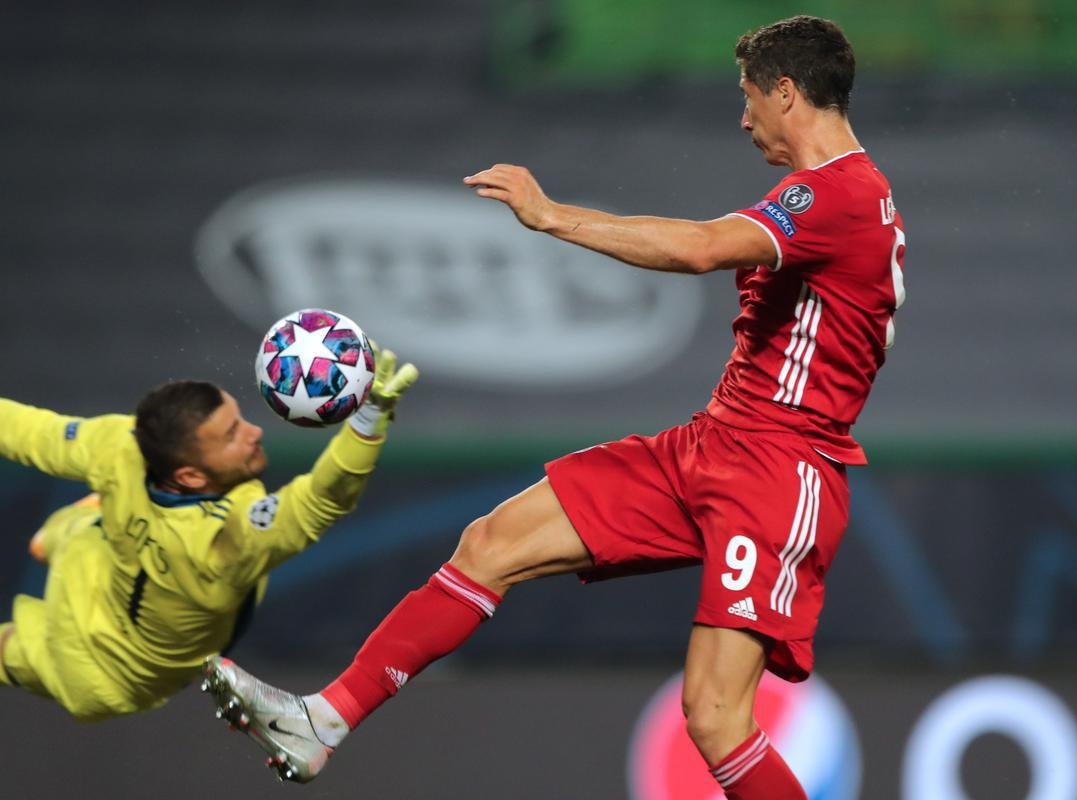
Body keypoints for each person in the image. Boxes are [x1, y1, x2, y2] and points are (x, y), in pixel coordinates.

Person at [203, 15, 905, 799]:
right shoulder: (821, 195)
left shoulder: (841, 193)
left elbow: (701, 248)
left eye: (748, 99)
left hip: (779, 471)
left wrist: (551, 215)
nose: (742, 119)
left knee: (713, 718)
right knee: (492, 541)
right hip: (712, 445)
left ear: (784, 91)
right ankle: (323, 719)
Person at [0, 346, 418, 722]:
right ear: (190, 475)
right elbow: (321, 500)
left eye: (238, 420)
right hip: (96, 653)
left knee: (13, 644)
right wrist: (366, 422)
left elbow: (33, 434)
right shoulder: (222, 540)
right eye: (232, 433)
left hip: (107, 669)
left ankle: (63, 535)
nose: (254, 432)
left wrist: (366, 420)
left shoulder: (129, 455)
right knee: (93, 525)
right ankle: (64, 535)